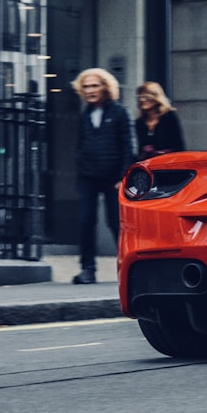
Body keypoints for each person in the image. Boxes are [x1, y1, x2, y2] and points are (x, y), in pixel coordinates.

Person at [71, 68, 134, 284]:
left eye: (94, 85)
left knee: (116, 223)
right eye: (86, 86)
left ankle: (127, 269)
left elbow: (129, 147)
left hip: (114, 178)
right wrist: (81, 167)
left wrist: (123, 177)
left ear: (105, 87)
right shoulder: (84, 115)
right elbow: (78, 145)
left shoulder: (119, 112)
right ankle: (87, 269)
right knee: (84, 220)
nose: (90, 90)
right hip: (87, 177)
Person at [134, 81, 185, 161]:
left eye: (146, 96)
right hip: (146, 169)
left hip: (167, 166)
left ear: (156, 98)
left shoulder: (169, 117)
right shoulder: (139, 123)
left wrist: (160, 153)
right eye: (140, 96)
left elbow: (179, 146)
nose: (142, 99)